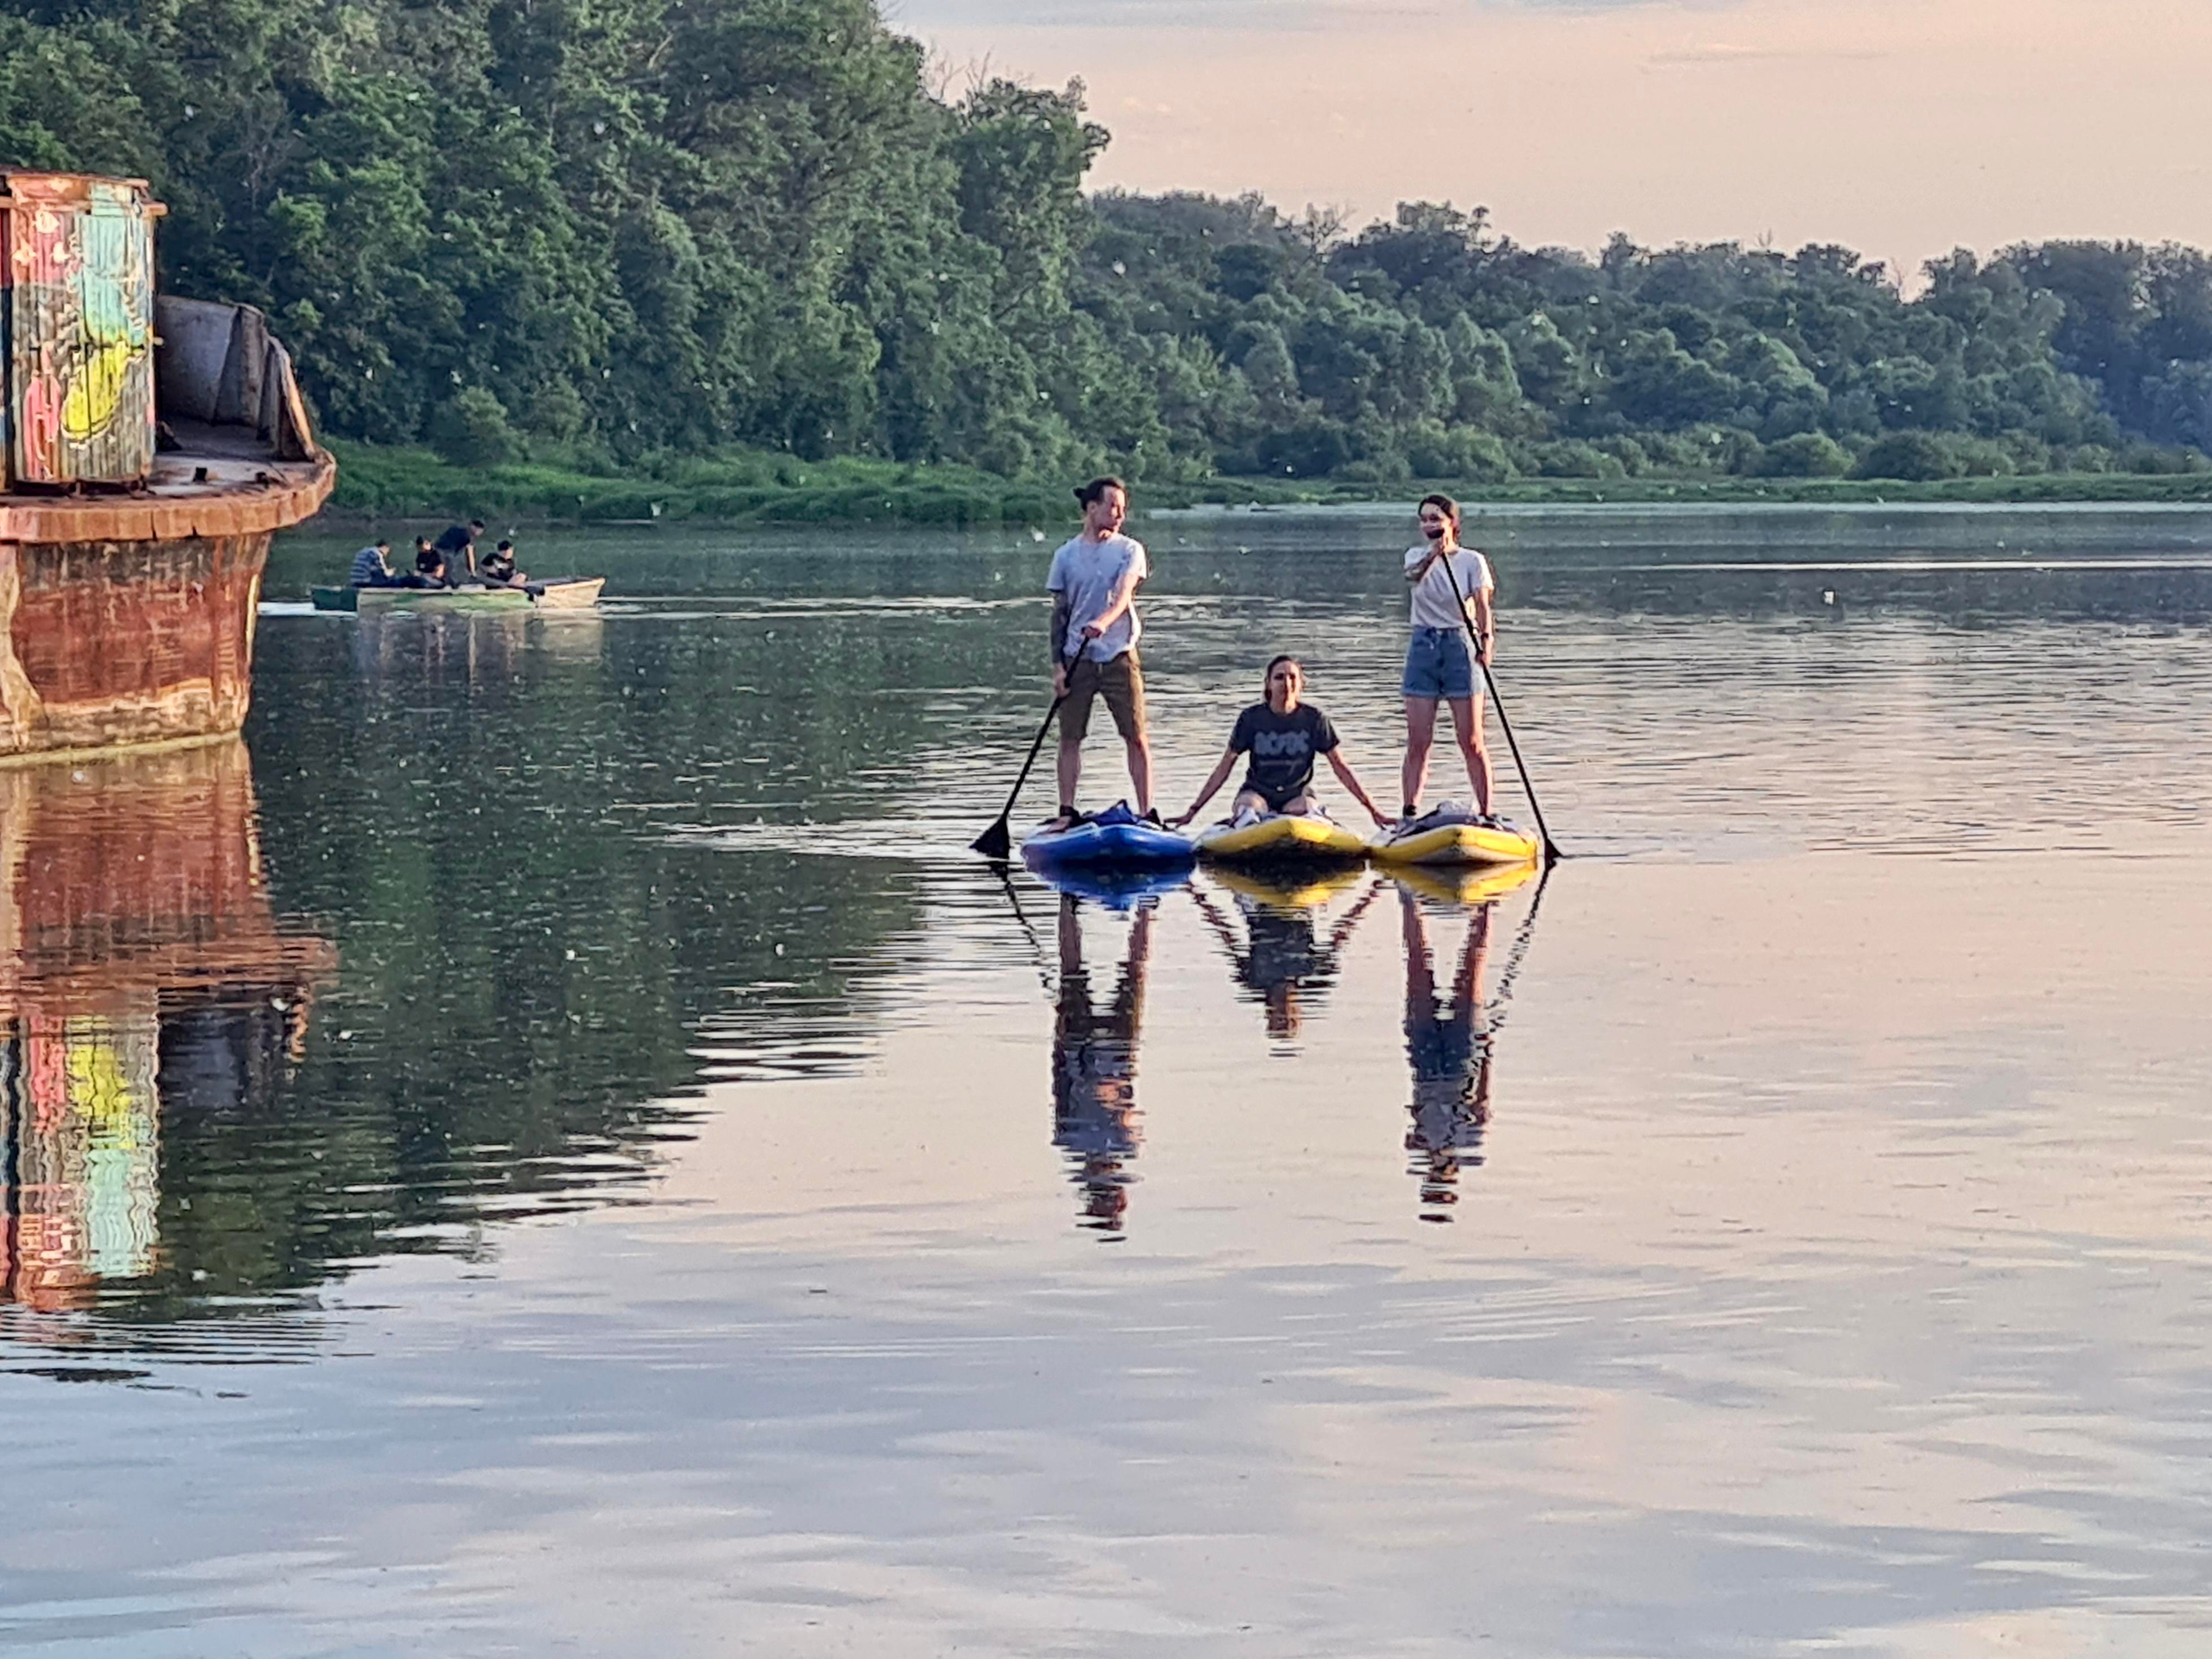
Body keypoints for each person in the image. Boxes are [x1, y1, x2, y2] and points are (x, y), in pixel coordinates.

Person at [1171, 654, 1389, 830]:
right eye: (1279, 677)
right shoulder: (1251, 718)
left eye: (1292, 677)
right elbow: (1225, 767)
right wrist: (1193, 811)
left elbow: (1341, 767)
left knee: (1307, 808)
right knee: (1248, 808)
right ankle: (1249, 829)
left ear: (1301, 683)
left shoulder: (1314, 719)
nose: (1286, 683)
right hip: (1257, 793)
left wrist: (1373, 810)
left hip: (1296, 795)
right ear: (1268, 684)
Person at [1046, 478, 1153, 827]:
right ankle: (1066, 811)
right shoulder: (1065, 556)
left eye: (1122, 508)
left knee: (1135, 736)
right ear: (1092, 508)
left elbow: (1123, 594)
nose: (1119, 514)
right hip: (1078, 658)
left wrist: (1104, 621)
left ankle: (1146, 811)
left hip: (1120, 654)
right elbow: (1059, 613)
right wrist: (1058, 667)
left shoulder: (1129, 550)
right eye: (1112, 507)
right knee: (1070, 737)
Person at [1052, 894, 1152, 1234]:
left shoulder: (1069, 1141)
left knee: (1072, 973)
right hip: (1119, 1052)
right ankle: (1146, 908)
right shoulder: (1128, 1145)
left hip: (1078, 1050)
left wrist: (1060, 1042)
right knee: (1135, 974)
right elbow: (1127, 1097)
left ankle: (1068, 903)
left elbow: (1060, 1090)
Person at [1399, 493, 1497, 823]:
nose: (1429, 525)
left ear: (1451, 523)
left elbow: (1482, 605)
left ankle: (1485, 811)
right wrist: (1433, 557)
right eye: (1424, 519)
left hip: (1459, 643)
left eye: (1435, 519)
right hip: (1423, 643)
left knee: (1471, 739)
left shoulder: (1472, 561)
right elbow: (1413, 578)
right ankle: (1409, 811)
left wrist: (1486, 641)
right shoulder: (1415, 555)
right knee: (1418, 740)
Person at [1400, 886, 1495, 1220]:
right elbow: (1482, 1101)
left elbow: (1414, 1107)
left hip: (1426, 1067)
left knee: (1417, 970)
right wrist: (1487, 1057)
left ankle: (1410, 900)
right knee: (1471, 973)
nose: (1439, 1174)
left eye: (1435, 1181)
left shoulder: (1416, 1145)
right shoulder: (1471, 1148)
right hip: (1460, 1064)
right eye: (1443, 1181)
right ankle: (1484, 907)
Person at [433, 518, 486, 582]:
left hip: (439, 550)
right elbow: (470, 555)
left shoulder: (458, 530)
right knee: (450, 571)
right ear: (471, 526)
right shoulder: (467, 535)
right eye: (476, 527)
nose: (478, 530)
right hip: (446, 552)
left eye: (480, 529)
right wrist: (472, 571)